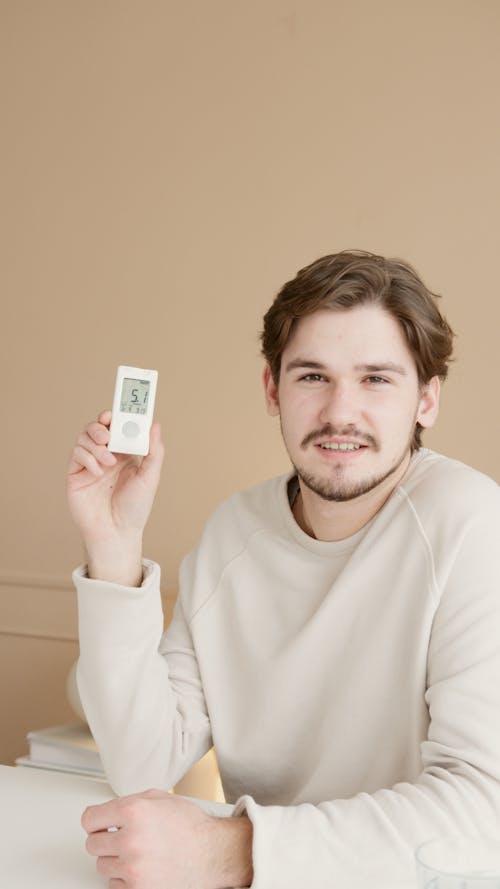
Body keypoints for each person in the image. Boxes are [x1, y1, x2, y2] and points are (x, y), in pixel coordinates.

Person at [68, 250, 500, 889]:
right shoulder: (233, 532)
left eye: (377, 379)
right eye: (311, 377)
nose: (338, 413)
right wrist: (114, 544)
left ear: (427, 400)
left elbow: (483, 811)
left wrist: (234, 851)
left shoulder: (473, 523)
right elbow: (142, 762)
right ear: (273, 389)